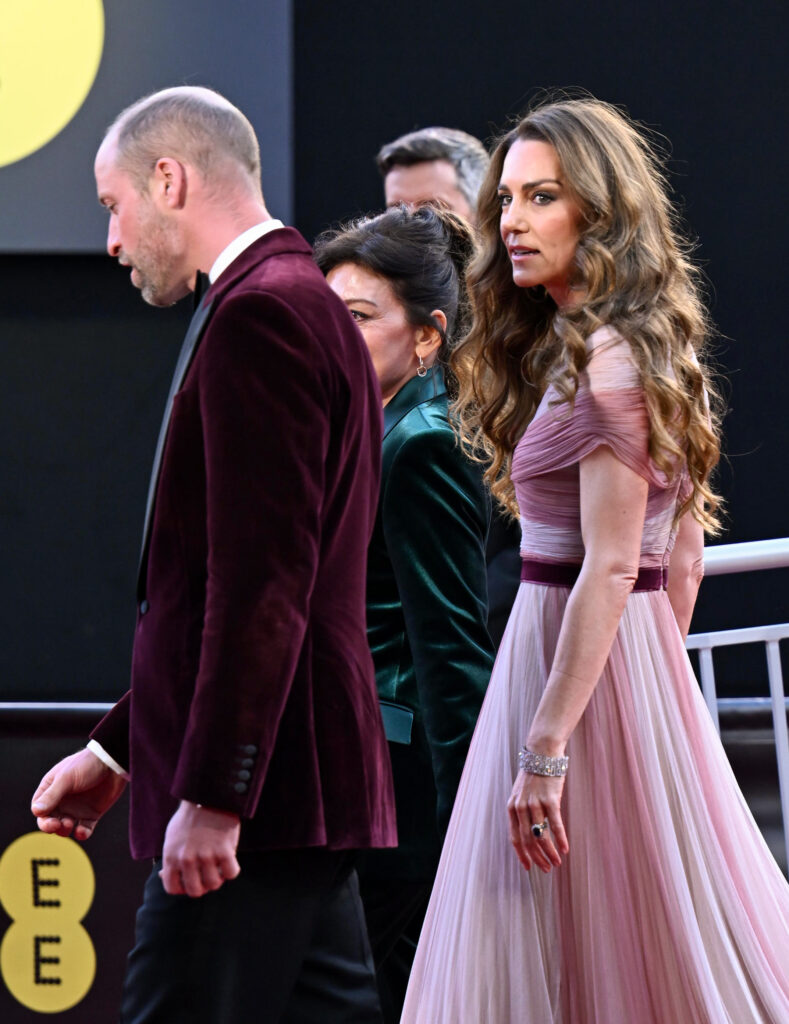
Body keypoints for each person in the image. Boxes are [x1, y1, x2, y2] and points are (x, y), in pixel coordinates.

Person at [401, 97, 789, 1022]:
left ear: (599, 213)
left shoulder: (607, 363)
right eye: (506, 200)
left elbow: (614, 569)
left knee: (557, 928)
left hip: (566, 672)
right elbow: (680, 561)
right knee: (628, 924)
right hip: (606, 671)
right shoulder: (612, 347)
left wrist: (545, 749)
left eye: (542, 197)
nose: (512, 221)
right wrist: (644, 689)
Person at [30, 85, 396, 1024]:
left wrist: (215, 796)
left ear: (170, 178)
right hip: (295, 790)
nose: (110, 241)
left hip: (259, 807)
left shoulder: (260, 316)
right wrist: (116, 751)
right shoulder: (298, 299)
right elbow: (230, 588)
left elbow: (262, 585)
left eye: (113, 206)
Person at [314, 205, 494, 1022]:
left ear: (427, 336)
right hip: (363, 769)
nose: (334, 337)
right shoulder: (374, 424)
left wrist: (470, 824)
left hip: (407, 785)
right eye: (328, 317)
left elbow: (450, 649)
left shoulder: (420, 440)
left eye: (357, 318)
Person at [377, 126, 521, 645]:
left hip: (498, 634)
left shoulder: (526, 330)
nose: (414, 228)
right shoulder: (376, 335)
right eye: (397, 212)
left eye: (433, 208)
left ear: (485, 209)